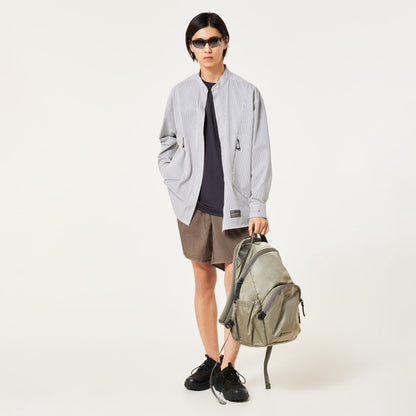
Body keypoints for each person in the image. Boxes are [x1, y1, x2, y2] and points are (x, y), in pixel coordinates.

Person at [157, 12, 272, 402]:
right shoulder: (180, 93)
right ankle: (211, 358)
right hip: (193, 205)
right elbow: (167, 142)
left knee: (236, 286)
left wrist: (258, 205)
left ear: (225, 42)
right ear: (190, 48)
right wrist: (174, 176)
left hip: (235, 205)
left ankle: (227, 367)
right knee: (202, 280)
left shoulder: (247, 93)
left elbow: (260, 152)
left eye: (213, 40)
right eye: (199, 42)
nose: (207, 48)